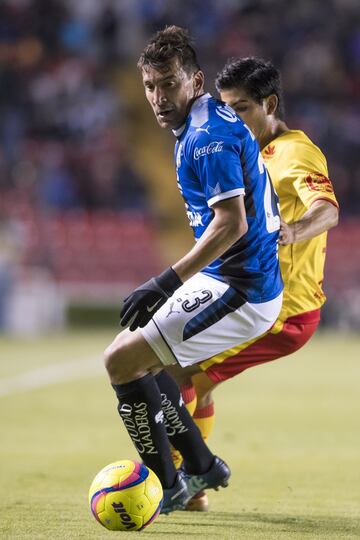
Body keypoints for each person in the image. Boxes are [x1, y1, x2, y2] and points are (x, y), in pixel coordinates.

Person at [103, 29, 283, 513]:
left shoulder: (206, 138)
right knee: (144, 361)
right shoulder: (201, 124)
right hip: (232, 276)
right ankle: (200, 463)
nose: (158, 98)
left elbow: (231, 223)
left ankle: (168, 485)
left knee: (121, 362)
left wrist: (165, 281)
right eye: (149, 86)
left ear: (196, 80)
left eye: (168, 84)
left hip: (242, 287)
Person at [172, 57, 339, 511]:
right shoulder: (248, 147)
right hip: (257, 300)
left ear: (270, 103)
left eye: (242, 108)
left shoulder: (295, 152)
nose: (233, 119)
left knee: (177, 375)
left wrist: (293, 230)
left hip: (285, 312)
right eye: (225, 109)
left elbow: (328, 209)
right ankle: (193, 490)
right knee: (199, 383)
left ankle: (161, 478)